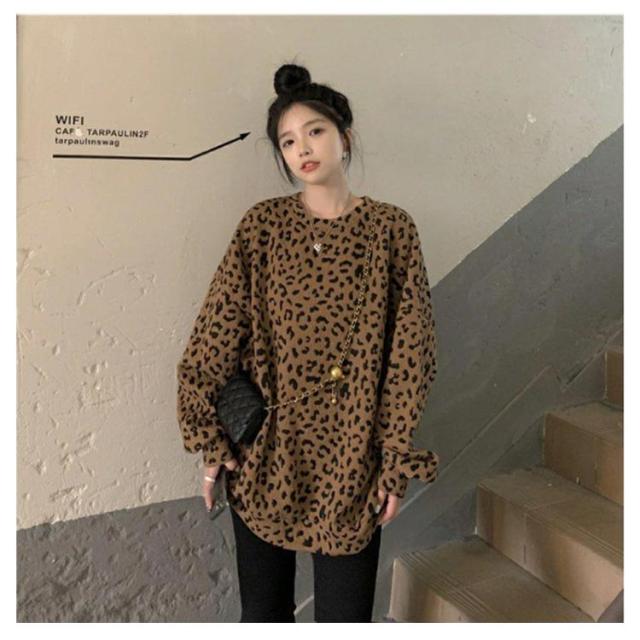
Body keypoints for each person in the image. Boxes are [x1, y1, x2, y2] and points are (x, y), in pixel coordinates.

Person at [176, 62, 439, 622]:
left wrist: (393, 460)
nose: (303, 149)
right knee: (263, 616)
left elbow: (409, 359)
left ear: (345, 135)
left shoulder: (391, 230)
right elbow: (215, 337)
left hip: (353, 462)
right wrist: (211, 446)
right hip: (265, 458)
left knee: (345, 618)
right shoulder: (263, 227)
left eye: (315, 131)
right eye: (288, 141)